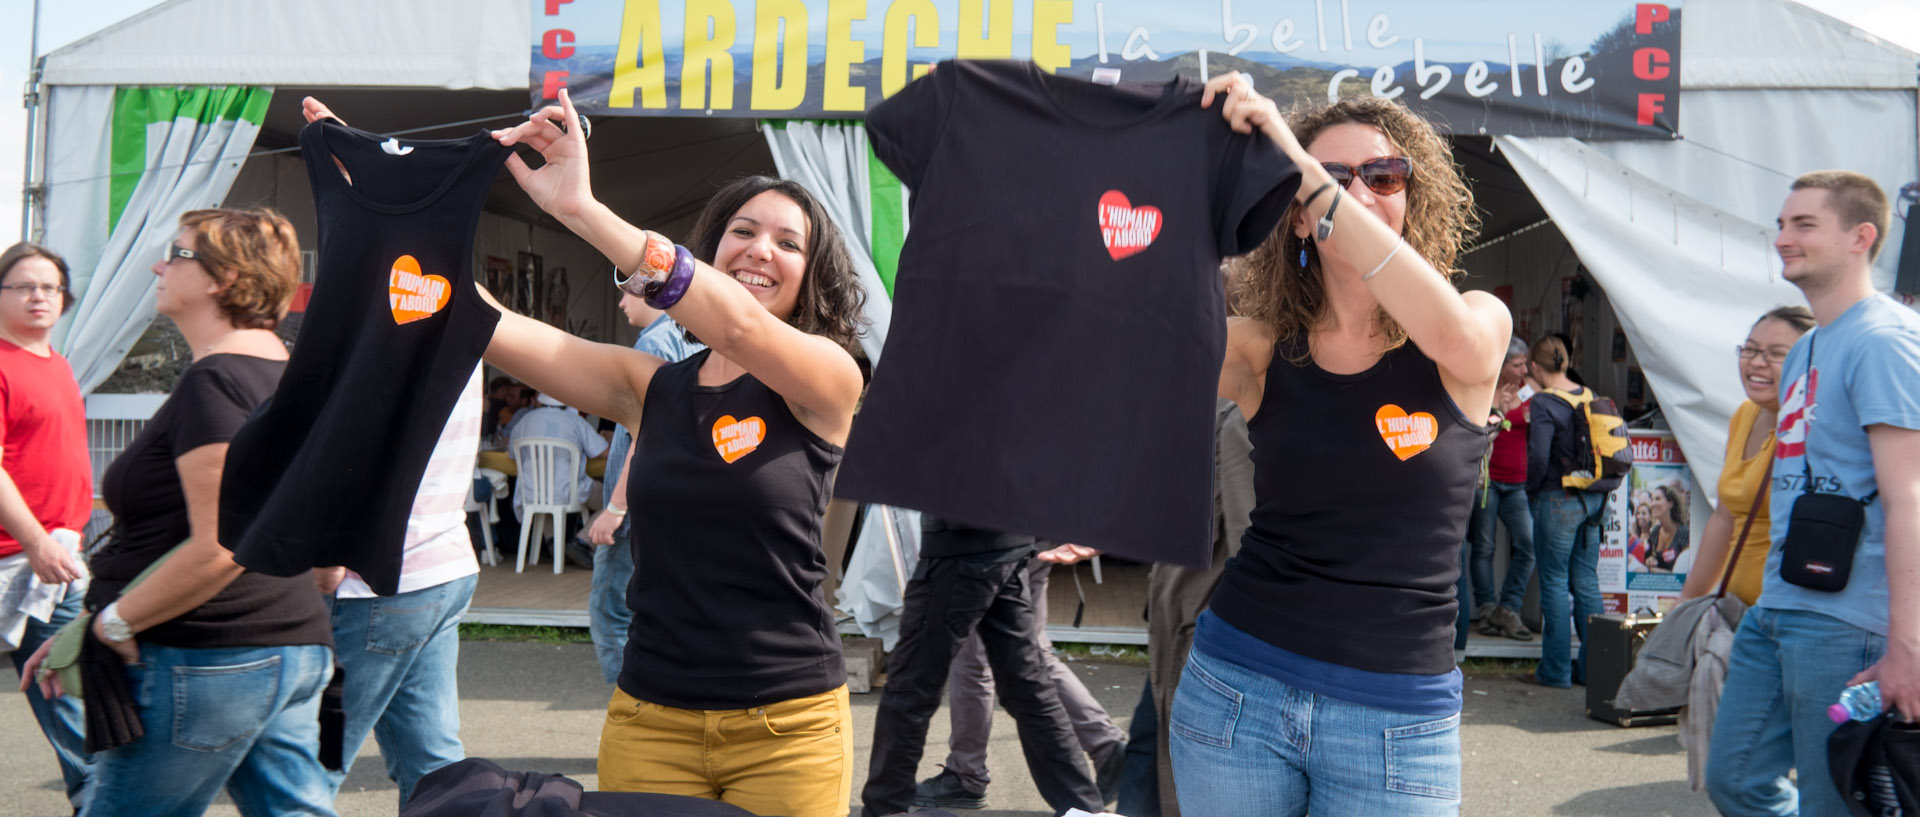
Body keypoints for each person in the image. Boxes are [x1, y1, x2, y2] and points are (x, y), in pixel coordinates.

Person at [485, 90, 867, 817]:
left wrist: (583, 211)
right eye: (743, 231)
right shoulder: (651, 384)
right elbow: (497, 329)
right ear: (713, 246)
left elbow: (746, 332)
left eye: (788, 242)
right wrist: (392, 213)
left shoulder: (828, 379)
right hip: (650, 718)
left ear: (810, 272)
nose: (761, 249)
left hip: (787, 725)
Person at [1170, 79, 1509, 817]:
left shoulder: (1475, 326)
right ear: (1294, 219)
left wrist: (1303, 167)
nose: (1359, 192)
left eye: (1384, 176)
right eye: (1329, 178)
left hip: (1396, 718)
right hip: (1238, 688)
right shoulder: (1263, 346)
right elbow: (1130, 329)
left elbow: (1453, 336)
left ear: (1412, 196)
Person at [23, 208, 337, 817]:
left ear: (222, 277)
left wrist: (113, 622)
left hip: (210, 654)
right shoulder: (287, 373)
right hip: (287, 641)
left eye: (178, 253)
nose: (157, 265)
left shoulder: (217, 382)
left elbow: (221, 545)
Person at [1706, 171, 1920, 817]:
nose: (1782, 238)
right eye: (1780, 223)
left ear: (1861, 237)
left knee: (1835, 801)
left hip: (1849, 622)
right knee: (1735, 778)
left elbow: (1909, 495)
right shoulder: (1808, 351)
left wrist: (1906, 646)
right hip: (1779, 604)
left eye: (1803, 225)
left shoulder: (1885, 341)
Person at [863, 518, 1105, 817]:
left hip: (961, 542)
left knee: (909, 689)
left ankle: (884, 808)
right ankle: (1085, 809)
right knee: (1028, 686)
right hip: (1009, 541)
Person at [910, 543, 1128, 811]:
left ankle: (966, 773)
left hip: (996, 538)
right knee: (1033, 652)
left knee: (974, 658)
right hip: (1036, 529)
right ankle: (1107, 747)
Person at [0, 242, 94, 812]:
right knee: (72, 697)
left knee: (71, 692)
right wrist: (35, 540)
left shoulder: (57, 363)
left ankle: (99, 800)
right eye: (24, 286)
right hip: (20, 556)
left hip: (55, 559)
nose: (40, 296)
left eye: (51, 287)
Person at [581, 290, 701, 684]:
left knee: (611, 610)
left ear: (650, 293)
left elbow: (648, 431)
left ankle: (629, 706)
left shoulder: (653, 342)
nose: (620, 303)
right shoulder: (690, 336)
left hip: (637, 504)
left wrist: (615, 509)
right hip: (675, 499)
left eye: (626, 293)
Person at [1679, 306, 1815, 604]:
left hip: (1793, 615)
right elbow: (1724, 518)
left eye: (1776, 354)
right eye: (1750, 349)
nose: (1756, 362)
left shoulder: (1817, 425)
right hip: (1736, 612)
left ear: (1809, 363)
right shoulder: (1745, 414)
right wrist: (1688, 599)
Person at [1518, 335, 1604, 688]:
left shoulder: (1543, 403)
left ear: (1536, 367)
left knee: (1553, 581)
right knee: (1585, 581)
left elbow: (1539, 455)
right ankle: (1595, 668)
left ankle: (1555, 671)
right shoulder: (1589, 395)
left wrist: (1532, 489)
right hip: (1595, 499)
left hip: (1558, 498)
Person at [1467, 337, 1537, 644]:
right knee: (1483, 547)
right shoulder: (1483, 386)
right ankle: (1486, 609)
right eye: (1517, 364)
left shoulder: (1529, 389)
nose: (1524, 369)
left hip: (1517, 480)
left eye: (1525, 363)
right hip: (1487, 481)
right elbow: (1475, 426)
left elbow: (1536, 421)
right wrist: (1499, 408)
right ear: (1502, 363)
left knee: (1528, 545)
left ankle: (1507, 608)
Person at [506, 393, 609, 520]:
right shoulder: (575, 421)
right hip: (569, 493)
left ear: (540, 402)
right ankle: (582, 538)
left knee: (547, 503)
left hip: (531, 494)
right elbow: (604, 452)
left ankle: (551, 540)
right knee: (613, 502)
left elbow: (512, 454)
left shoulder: (526, 420)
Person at [1642, 483, 1691, 574]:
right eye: (1652, 499)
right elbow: (1646, 559)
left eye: (1657, 499)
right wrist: (1649, 560)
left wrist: (1662, 573)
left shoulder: (1685, 533)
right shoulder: (1655, 531)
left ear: (1670, 504)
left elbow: (1686, 573)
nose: (1653, 503)